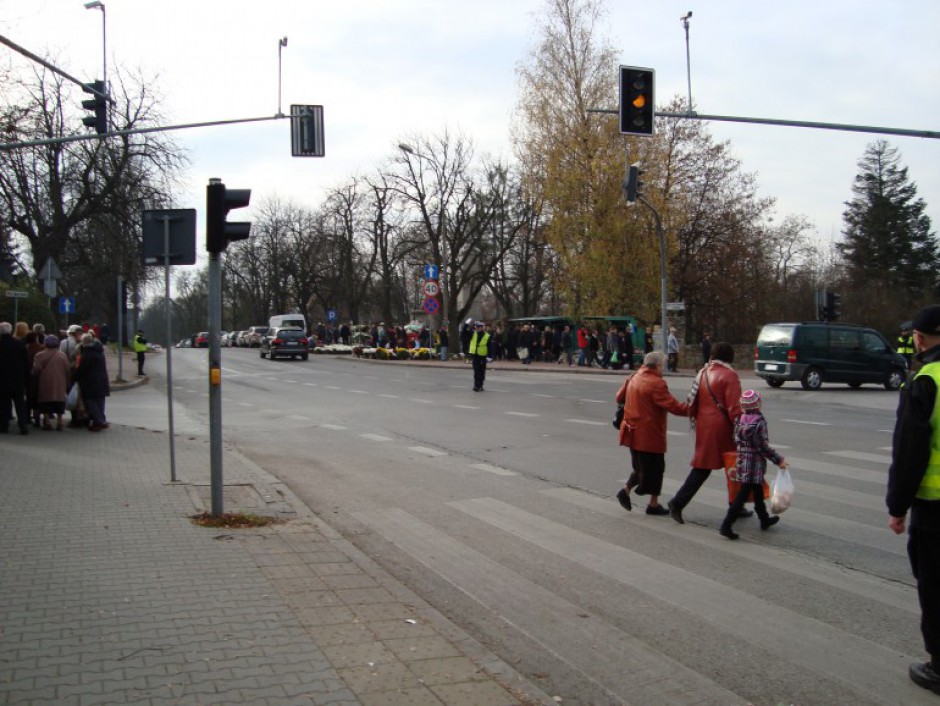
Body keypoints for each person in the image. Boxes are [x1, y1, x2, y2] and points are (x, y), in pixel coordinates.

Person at [887, 305, 940, 694]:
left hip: (935, 508)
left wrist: (897, 506)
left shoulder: (926, 380)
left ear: (919, 339)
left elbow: (909, 451)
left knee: (935, 587)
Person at [669, 342, 751, 524]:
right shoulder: (729, 375)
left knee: (704, 467)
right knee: (733, 467)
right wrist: (745, 427)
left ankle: (736, 505)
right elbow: (735, 408)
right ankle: (677, 502)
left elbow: (692, 403)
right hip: (723, 429)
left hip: (704, 426)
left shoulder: (703, 372)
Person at [615, 351, 690, 515]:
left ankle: (627, 492)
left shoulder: (634, 376)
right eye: (663, 365)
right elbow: (674, 406)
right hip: (649, 434)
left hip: (631, 431)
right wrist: (693, 409)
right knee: (656, 469)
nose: (663, 368)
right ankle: (652, 504)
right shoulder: (656, 383)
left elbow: (618, 396)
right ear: (657, 365)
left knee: (642, 467)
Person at [719, 390, 786, 540]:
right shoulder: (759, 423)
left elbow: (736, 440)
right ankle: (726, 525)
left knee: (758, 491)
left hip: (742, 461)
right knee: (742, 496)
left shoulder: (740, 420)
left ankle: (764, 519)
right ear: (757, 405)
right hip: (754, 464)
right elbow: (763, 446)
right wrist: (778, 459)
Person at [72, 332, 110, 431]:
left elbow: (82, 369)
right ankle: (102, 420)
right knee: (100, 402)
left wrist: (74, 377)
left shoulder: (87, 353)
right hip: (102, 380)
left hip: (90, 382)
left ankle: (98, 422)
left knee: (91, 402)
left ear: (84, 342)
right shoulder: (99, 352)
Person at [32, 334, 70, 431]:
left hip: (44, 382)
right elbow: (67, 370)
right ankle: (60, 422)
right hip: (60, 382)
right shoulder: (62, 355)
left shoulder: (39, 355)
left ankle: (47, 422)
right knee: (59, 402)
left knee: (45, 402)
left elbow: (36, 370)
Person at [0, 321, 30, 435]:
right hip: (18, 379)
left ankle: (4, 426)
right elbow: (25, 363)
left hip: (3, 380)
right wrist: (26, 379)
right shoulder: (19, 345)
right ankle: (23, 426)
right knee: (20, 404)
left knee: (4, 404)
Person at [468, 321, 490, 392]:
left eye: (479, 327)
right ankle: (476, 386)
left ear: (482, 328)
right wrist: (466, 324)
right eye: (476, 327)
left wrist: (490, 356)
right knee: (476, 371)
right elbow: (464, 333)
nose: (477, 328)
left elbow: (490, 346)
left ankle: (480, 385)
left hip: (483, 356)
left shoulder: (487, 335)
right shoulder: (473, 334)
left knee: (482, 372)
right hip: (475, 355)